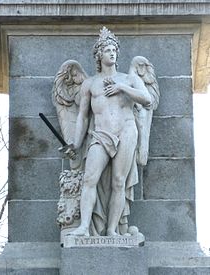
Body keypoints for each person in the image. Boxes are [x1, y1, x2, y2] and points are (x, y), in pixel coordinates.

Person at [67, 27, 152, 236]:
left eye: (114, 49)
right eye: (107, 50)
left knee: (118, 182)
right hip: (100, 134)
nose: (112, 53)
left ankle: (112, 230)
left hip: (126, 131)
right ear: (99, 55)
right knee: (89, 179)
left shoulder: (128, 79)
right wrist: (75, 144)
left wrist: (121, 88)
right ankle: (84, 227)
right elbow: (83, 116)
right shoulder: (90, 83)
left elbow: (147, 99)